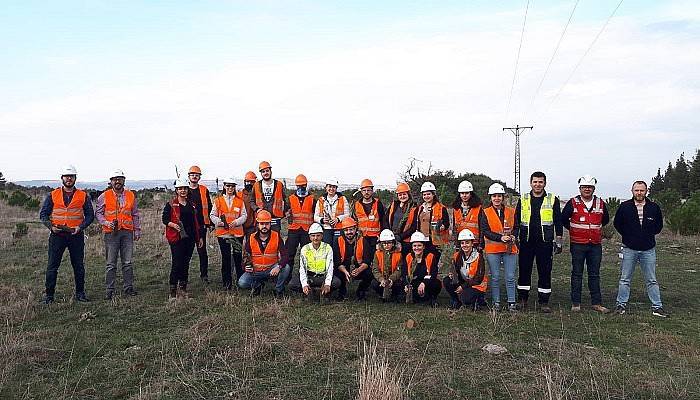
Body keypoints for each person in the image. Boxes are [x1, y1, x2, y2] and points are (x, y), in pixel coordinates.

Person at [39, 165, 95, 304]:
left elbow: (89, 215)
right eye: (66, 176)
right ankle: (49, 296)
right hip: (57, 235)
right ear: (62, 178)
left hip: (75, 235)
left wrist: (80, 227)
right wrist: (51, 227)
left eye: (71, 176)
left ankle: (80, 294)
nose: (69, 178)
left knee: (78, 265)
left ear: (75, 178)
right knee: (52, 266)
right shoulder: (53, 195)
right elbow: (43, 214)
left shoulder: (83, 195)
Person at [613, 181, 667, 317]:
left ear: (646, 191)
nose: (639, 193)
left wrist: (647, 235)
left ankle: (657, 307)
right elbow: (617, 223)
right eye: (636, 190)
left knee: (651, 279)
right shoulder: (625, 207)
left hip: (648, 249)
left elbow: (658, 225)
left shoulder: (654, 207)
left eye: (641, 190)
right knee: (625, 279)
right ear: (632, 191)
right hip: (629, 248)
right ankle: (620, 305)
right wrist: (629, 235)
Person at [515, 171, 563, 313]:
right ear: (531, 183)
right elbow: (517, 220)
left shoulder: (552, 199)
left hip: (545, 242)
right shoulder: (523, 198)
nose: (537, 184)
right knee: (524, 270)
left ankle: (544, 302)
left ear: (545, 183)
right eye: (535, 182)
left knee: (545, 271)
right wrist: (515, 237)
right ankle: (522, 299)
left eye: (540, 182)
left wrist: (559, 240)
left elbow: (558, 221)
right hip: (526, 241)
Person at [561, 175, 610, 313]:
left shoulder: (600, 203)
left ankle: (596, 303)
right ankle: (576, 303)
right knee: (577, 273)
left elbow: (605, 219)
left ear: (593, 188)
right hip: (577, 244)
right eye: (584, 187)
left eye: (589, 187)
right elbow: (564, 219)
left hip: (595, 244)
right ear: (580, 188)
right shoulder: (573, 202)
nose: (587, 189)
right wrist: (576, 229)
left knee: (594, 274)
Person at [95, 169, 141, 300]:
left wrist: (137, 230)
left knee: (127, 262)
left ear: (124, 181)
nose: (117, 181)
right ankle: (109, 290)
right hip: (111, 233)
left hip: (127, 232)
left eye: (120, 179)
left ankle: (128, 288)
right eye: (115, 179)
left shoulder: (131, 195)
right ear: (111, 181)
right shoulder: (104, 196)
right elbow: (98, 213)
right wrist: (106, 222)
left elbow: (135, 214)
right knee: (111, 263)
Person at [480, 183, 519, 312]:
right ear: (490, 197)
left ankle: (512, 302)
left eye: (499, 196)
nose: (497, 198)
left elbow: (517, 227)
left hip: (510, 249)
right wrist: (500, 238)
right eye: (494, 196)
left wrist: (513, 235)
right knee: (495, 277)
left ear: (503, 197)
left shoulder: (511, 211)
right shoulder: (485, 212)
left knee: (510, 276)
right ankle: (496, 302)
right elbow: (485, 230)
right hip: (493, 250)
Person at [163, 179, 204, 299]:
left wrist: (199, 237)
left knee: (186, 263)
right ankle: (173, 291)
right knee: (177, 263)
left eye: (185, 188)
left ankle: (183, 288)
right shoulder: (171, 204)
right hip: (177, 239)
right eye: (180, 188)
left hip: (190, 238)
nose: (183, 191)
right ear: (176, 190)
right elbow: (165, 219)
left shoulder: (192, 205)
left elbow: (197, 222)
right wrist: (172, 224)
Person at [238, 210, 291, 297]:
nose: (264, 226)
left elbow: (285, 255)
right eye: (262, 224)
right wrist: (246, 266)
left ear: (270, 224)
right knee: (242, 282)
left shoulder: (276, 236)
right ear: (258, 225)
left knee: (286, 268)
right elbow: (245, 256)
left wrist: (279, 266)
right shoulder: (251, 238)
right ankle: (258, 286)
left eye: (267, 224)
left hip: (271, 269)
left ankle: (278, 290)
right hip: (256, 270)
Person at [210, 177, 247, 290]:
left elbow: (244, 215)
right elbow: (212, 215)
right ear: (224, 186)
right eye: (228, 185)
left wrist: (236, 222)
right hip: (223, 234)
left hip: (236, 234)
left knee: (237, 257)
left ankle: (241, 281)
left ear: (234, 187)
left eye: (232, 186)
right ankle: (227, 283)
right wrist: (219, 222)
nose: (230, 188)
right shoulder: (218, 200)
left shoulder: (239, 201)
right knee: (226, 258)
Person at [289, 223, 340, 303]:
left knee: (336, 282)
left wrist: (327, 284)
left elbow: (330, 267)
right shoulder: (305, 249)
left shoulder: (328, 248)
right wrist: (304, 284)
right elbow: (302, 269)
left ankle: (324, 291)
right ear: (309, 237)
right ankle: (311, 291)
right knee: (293, 283)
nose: (315, 238)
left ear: (322, 236)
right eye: (313, 236)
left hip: (322, 277)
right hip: (310, 277)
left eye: (318, 235)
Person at [403, 181, 450, 258]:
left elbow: (447, 223)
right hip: (422, 240)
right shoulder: (420, 208)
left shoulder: (441, 208)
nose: (426, 196)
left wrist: (442, 227)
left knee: (434, 261)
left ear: (433, 194)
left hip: (436, 241)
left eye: (428, 194)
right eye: (424, 194)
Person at [444, 229, 488, 310]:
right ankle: (456, 301)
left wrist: (462, 287)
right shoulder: (457, 255)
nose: (465, 245)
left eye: (467, 242)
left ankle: (479, 300)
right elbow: (455, 270)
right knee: (447, 280)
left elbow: (478, 279)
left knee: (466, 298)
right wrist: (452, 274)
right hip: (465, 282)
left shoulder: (479, 257)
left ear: (472, 243)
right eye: (462, 243)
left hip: (477, 285)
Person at [334, 217, 374, 301]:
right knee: (335, 272)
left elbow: (367, 261)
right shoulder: (338, 241)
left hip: (358, 268)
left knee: (369, 273)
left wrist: (359, 270)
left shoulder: (363, 240)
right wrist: (345, 272)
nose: (349, 232)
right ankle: (342, 291)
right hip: (343, 269)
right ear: (343, 231)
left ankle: (361, 290)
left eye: (351, 229)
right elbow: (337, 261)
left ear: (355, 229)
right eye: (346, 230)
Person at [286, 174, 316, 281]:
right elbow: (286, 212)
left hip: (307, 231)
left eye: (303, 185)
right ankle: (287, 277)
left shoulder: (312, 199)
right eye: (299, 185)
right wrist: (287, 214)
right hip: (293, 231)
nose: (301, 187)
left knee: (307, 256)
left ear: (306, 185)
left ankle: (307, 279)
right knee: (289, 255)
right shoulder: (290, 199)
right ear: (296, 186)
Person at [187, 165, 213, 284]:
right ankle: (184, 276)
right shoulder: (183, 189)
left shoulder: (204, 190)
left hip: (201, 226)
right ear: (189, 176)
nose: (194, 176)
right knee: (186, 252)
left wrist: (211, 223)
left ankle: (204, 275)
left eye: (197, 175)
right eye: (192, 174)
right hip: (188, 226)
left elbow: (209, 206)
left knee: (202, 251)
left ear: (199, 177)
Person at [403, 232, 441, 306]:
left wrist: (424, 283)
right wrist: (406, 285)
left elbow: (433, 273)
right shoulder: (408, 257)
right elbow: (404, 273)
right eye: (414, 246)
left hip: (427, 283)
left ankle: (432, 298)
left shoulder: (430, 256)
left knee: (436, 283)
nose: (417, 248)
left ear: (423, 246)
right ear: (412, 247)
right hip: (414, 283)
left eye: (419, 245)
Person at [251, 161, 288, 232]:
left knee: (275, 239)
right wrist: (257, 209)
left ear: (271, 171)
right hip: (261, 219)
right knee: (261, 240)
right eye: (263, 171)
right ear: (261, 173)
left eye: (267, 171)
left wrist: (285, 211)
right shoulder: (256, 185)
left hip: (275, 219)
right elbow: (252, 201)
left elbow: (285, 200)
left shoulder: (279, 184)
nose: (266, 173)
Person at [314, 178, 350, 248]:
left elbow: (347, 214)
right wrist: (322, 220)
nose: (331, 189)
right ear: (326, 187)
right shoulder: (321, 200)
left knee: (338, 248)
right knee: (327, 248)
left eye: (334, 187)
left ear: (336, 188)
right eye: (329, 186)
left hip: (339, 228)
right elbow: (315, 217)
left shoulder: (343, 199)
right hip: (326, 229)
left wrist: (338, 219)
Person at [371, 229, 405, 302]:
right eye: (384, 243)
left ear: (393, 243)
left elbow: (399, 270)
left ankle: (395, 295)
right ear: (381, 244)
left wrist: (391, 279)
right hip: (382, 278)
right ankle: (381, 294)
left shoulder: (399, 254)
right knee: (374, 283)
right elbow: (375, 269)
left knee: (399, 284)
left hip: (394, 279)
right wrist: (381, 279)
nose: (386, 245)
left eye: (389, 243)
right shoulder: (377, 253)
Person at [354, 178, 386, 249]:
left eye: (368, 190)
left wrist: (382, 235)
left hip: (375, 237)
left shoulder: (378, 203)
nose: (366, 192)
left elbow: (383, 220)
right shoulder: (356, 204)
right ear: (361, 192)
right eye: (364, 190)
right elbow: (354, 220)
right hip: (361, 237)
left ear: (372, 191)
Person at [385, 182, 416, 256]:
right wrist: (388, 233)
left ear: (408, 194)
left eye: (404, 194)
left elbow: (414, 226)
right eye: (400, 195)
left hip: (406, 241)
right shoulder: (394, 205)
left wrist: (400, 237)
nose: (402, 196)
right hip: (391, 239)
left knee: (404, 262)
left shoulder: (414, 207)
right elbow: (385, 219)